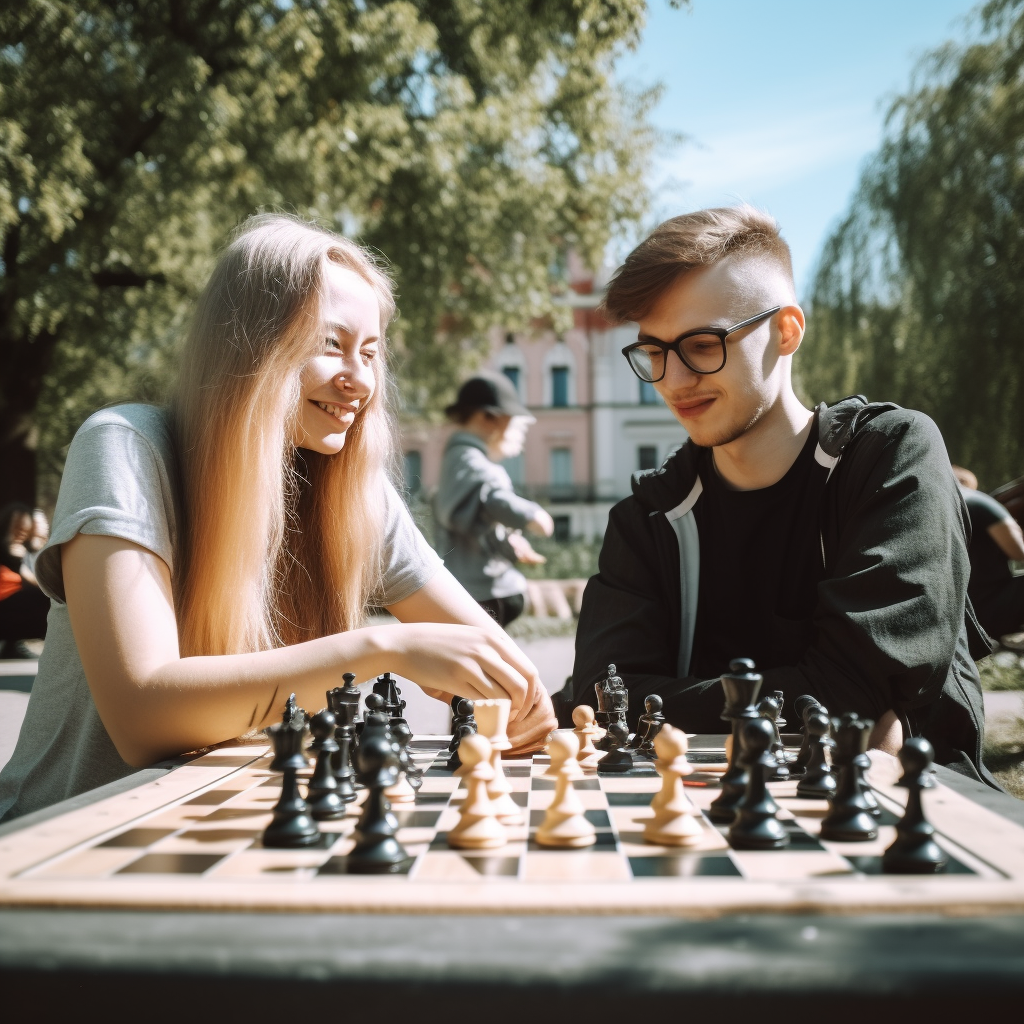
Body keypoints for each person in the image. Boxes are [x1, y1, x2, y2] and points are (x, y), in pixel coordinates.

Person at [0, 215, 555, 823]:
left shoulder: (355, 492)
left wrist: (518, 698)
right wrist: (384, 647)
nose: (360, 381)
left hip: (225, 842)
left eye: (369, 353)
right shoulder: (126, 446)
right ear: (252, 345)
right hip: (61, 850)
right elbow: (143, 718)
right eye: (329, 344)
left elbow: (507, 676)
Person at [568, 205, 994, 785]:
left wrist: (663, 704)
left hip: (902, 822)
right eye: (654, 351)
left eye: (701, 344)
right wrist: (814, 697)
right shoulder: (649, 515)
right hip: (703, 813)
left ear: (786, 331)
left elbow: (856, 689)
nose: (673, 379)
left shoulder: (890, 457)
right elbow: (603, 696)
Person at [434, 372, 554, 628]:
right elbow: (495, 500)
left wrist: (510, 543)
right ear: (485, 417)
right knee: (489, 666)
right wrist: (534, 516)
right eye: (508, 420)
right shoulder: (477, 465)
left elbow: (474, 523)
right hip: (488, 592)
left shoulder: (453, 461)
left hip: (465, 590)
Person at [951, 465, 1024, 643]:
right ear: (965, 483)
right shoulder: (979, 501)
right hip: (987, 615)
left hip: (956, 618)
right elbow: (1019, 552)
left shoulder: (937, 508)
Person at [0, 502, 50, 658]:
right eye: (17, 529)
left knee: (39, 598)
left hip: (11, 605)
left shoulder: (23, 552)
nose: (20, 534)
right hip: (5, 604)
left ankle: (11, 644)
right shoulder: (10, 551)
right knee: (43, 599)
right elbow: (36, 582)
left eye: (24, 531)